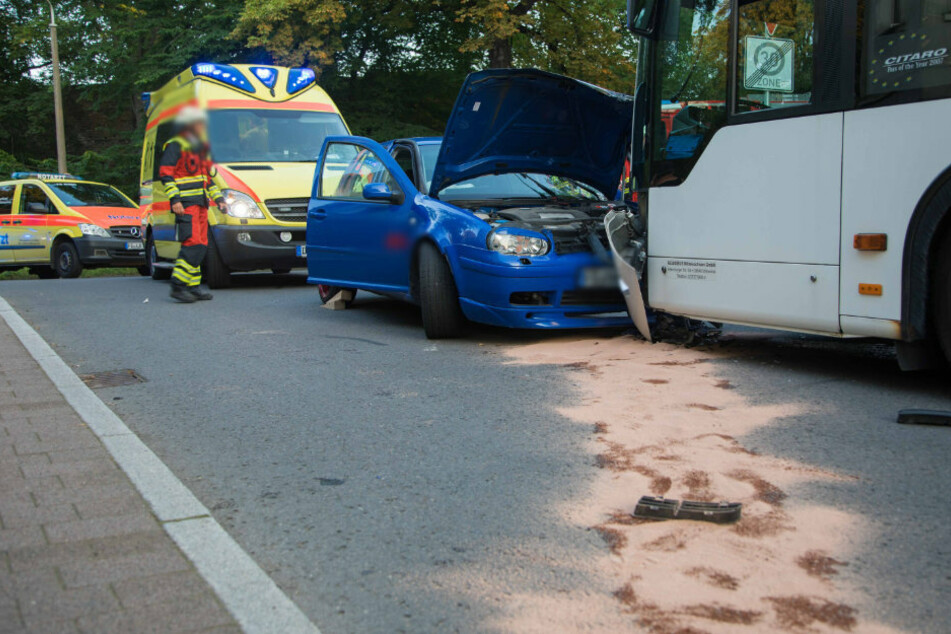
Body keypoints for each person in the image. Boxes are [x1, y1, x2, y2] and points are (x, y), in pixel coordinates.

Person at [158, 106, 227, 303]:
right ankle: (178, 286)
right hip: (186, 204)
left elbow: (207, 180)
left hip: (201, 204)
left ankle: (193, 286)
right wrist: (175, 200)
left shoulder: (200, 148)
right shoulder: (175, 145)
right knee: (192, 244)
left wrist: (219, 199)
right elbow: (166, 174)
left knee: (201, 245)